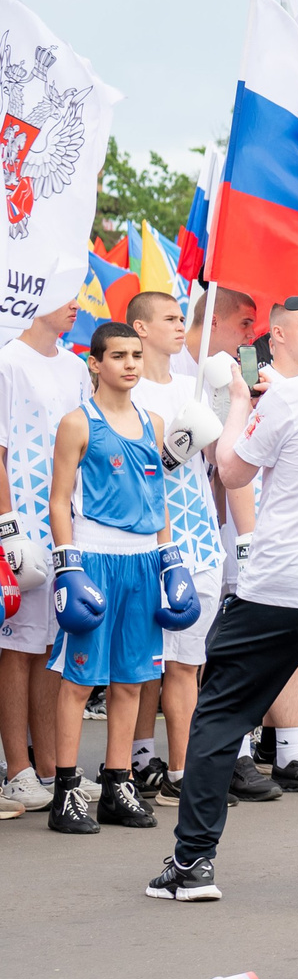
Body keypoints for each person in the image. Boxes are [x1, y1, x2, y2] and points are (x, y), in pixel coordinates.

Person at [149, 273, 298, 905]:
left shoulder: (290, 397)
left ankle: (193, 863)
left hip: (277, 584)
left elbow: (232, 468)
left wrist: (242, 400)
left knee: (219, 718)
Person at [41, 321, 198, 834]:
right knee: (80, 680)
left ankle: (117, 782)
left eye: (135, 354)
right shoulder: (77, 423)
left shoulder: (153, 422)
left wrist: (169, 556)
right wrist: (69, 564)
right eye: (118, 355)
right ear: (96, 362)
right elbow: (58, 501)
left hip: (142, 561)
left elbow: (159, 499)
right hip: (95, 558)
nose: (131, 363)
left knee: (134, 677)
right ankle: (67, 788)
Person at [124, 291, 227, 808]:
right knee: (145, 660)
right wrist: (171, 449)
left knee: (188, 660)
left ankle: (184, 770)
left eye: (183, 317)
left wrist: (231, 397)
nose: (180, 325)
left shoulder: (193, 387)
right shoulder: (127, 390)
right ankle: (143, 761)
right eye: (169, 318)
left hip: (200, 538)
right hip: (146, 538)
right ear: (140, 329)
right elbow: (134, 467)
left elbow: (227, 461)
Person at [0, 293, 91, 816]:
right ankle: (17, 770)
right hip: (24, 525)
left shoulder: (77, 366)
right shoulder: (9, 361)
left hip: (66, 523)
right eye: (64, 296)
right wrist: (8, 526)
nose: (75, 305)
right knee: (19, 647)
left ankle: (55, 769)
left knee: (55, 644)